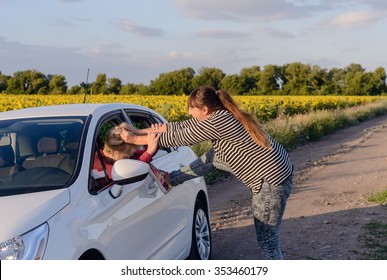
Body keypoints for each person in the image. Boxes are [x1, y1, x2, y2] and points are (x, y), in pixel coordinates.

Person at [120, 86, 293, 260]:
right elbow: (179, 127)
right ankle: (171, 179)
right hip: (276, 173)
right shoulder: (220, 115)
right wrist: (138, 131)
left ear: (205, 109)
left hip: (271, 181)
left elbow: (179, 138)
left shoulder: (218, 123)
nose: (188, 112)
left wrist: (133, 140)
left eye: (191, 108)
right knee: (211, 159)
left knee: (268, 243)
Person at [93, 122, 159, 179]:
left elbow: (146, 152)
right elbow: (125, 174)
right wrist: (149, 152)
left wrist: (138, 132)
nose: (129, 158)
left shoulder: (119, 157)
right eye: (127, 155)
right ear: (111, 151)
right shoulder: (97, 163)